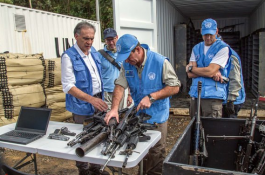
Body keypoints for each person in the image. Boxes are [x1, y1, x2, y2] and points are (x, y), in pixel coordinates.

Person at [104, 34, 181, 175]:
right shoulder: (127, 64)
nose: (127, 60)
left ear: (138, 50)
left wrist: (152, 97)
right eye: (124, 58)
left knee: (156, 152)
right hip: (139, 116)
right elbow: (120, 86)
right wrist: (114, 109)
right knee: (140, 150)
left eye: (128, 56)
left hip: (157, 116)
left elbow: (175, 86)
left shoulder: (159, 61)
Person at [61, 21, 109, 175]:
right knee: (82, 138)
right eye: (85, 38)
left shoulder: (94, 52)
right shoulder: (69, 57)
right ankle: (84, 171)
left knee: (98, 135)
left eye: (92, 39)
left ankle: (96, 169)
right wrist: (90, 99)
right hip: (82, 105)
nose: (89, 42)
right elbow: (68, 86)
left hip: (97, 101)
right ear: (76, 36)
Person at [186, 18, 232, 118]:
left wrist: (191, 68)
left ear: (216, 31)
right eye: (206, 34)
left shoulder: (222, 48)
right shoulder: (196, 48)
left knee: (211, 129)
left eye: (211, 34)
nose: (208, 37)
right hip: (195, 94)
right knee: (194, 128)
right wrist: (208, 71)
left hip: (213, 95)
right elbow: (190, 74)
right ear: (201, 32)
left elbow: (210, 71)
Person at [98, 28, 132, 110]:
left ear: (117, 37)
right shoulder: (99, 54)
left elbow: (129, 74)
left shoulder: (123, 54)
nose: (111, 42)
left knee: (118, 115)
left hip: (120, 91)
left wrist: (129, 95)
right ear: (105, 40)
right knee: (107, 117)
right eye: (108, 40)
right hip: (106, 92)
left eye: (112, 39)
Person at [214, 35, 245, 118]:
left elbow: (235, 79)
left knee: (229, 126)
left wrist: (230, 100)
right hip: (225, 98)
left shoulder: (230, 56)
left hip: (232, 100)